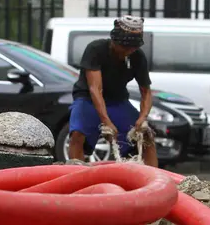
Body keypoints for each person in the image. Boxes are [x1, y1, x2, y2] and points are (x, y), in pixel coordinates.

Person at [68, 15, 158, 167]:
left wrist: (143, 118)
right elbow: (95, 89)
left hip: (118, 101)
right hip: (88, 98)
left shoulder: (137, 57)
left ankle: (154, 181)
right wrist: (106, 121)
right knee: (77, 134)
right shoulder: (95, 49)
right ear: (114, 41)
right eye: (125, 47)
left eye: (133, 48)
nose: (128, 51)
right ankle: (75, 176)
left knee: (146, 137)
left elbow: (146, 91)